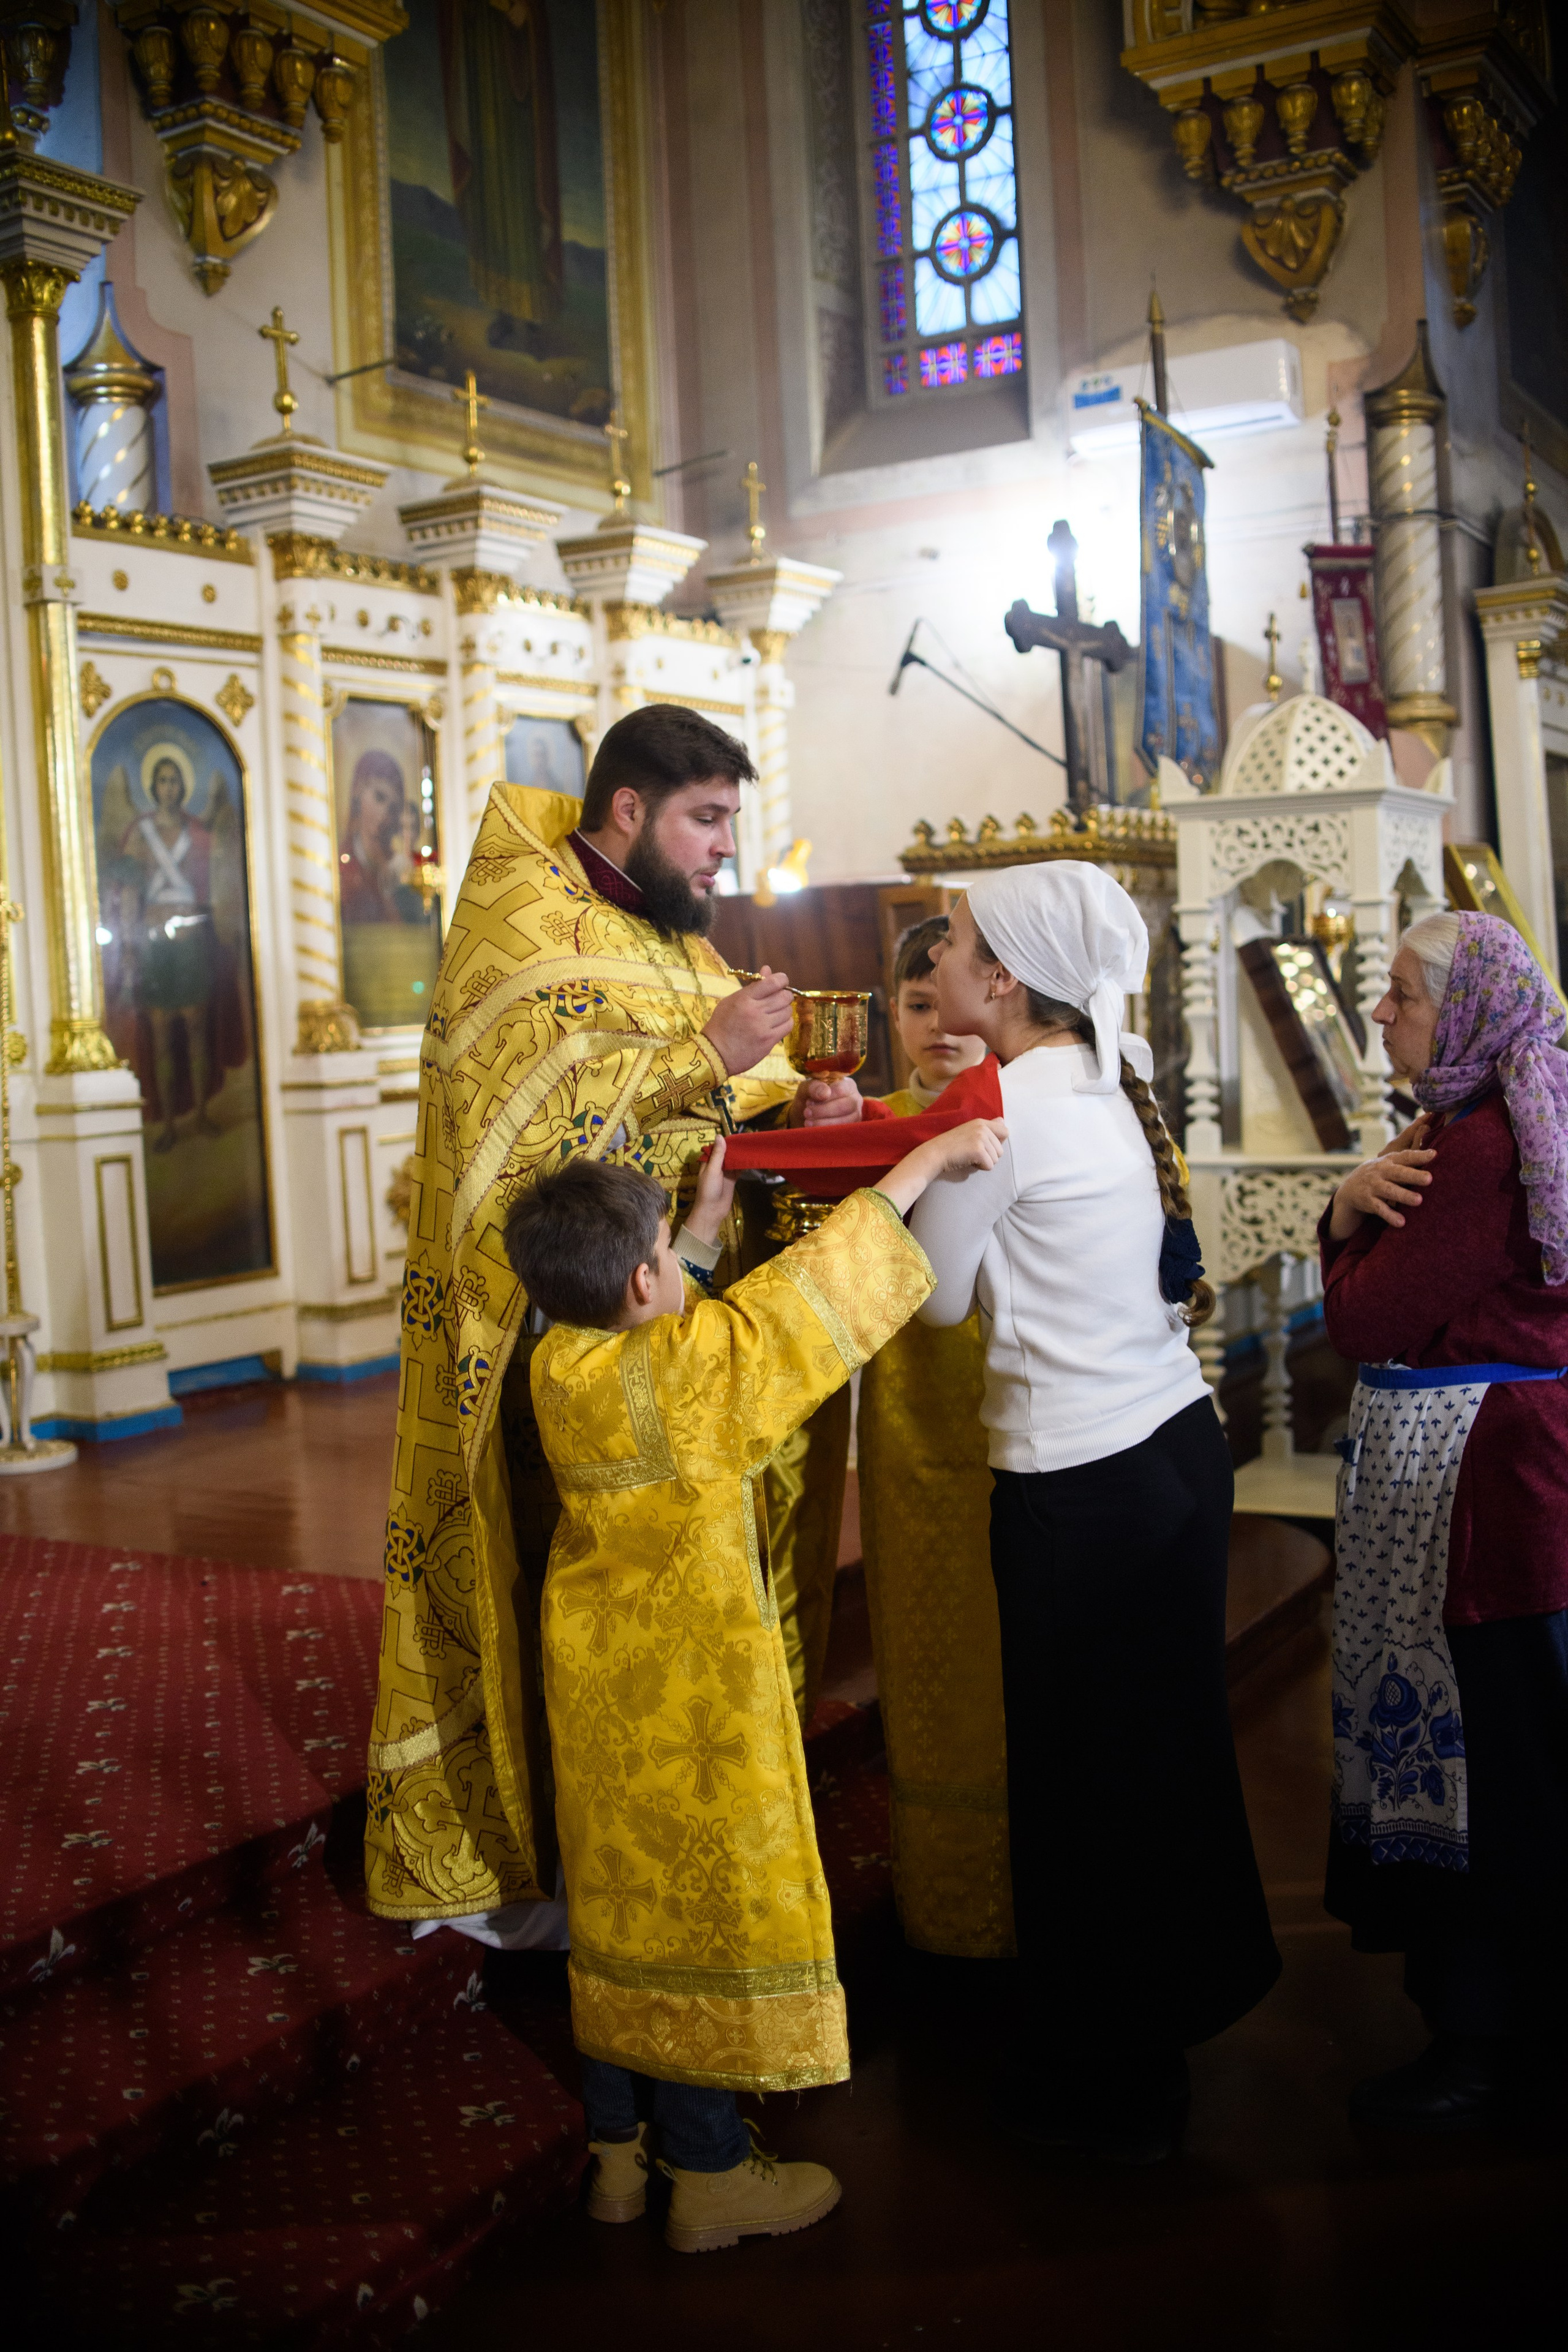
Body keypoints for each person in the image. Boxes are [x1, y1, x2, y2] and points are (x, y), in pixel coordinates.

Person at [364, 705, 861, 1942]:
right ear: (629, 810)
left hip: (691, 1347)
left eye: (730, 824)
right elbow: (521, 1154)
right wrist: (701, 1052)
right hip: (565, 1362)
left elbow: (710, 1122)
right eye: (704, 821)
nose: (721, 854)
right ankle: (573, 1865)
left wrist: (806, 1103)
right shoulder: (518, 923)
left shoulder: (674, 937)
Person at [505, 1119, 1006, 2250]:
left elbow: (650, 1324)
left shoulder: (561, 1364)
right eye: (661, 1261)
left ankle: (620, 2161)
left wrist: (692, 1234)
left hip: (594, 1687)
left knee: (617, 1910)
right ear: (643, 1277)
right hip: (700, 1694)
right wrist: (923, 1164)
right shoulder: (704, 1373)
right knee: (703, 1919)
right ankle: (714, 2173)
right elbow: (817, 1301)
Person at [913, 862, 1281, 2163]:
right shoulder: (1098, 1071)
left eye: (952, 941)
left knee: (1081, 1787)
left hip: (1083, 1489)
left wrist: (896, 1176)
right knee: (1160, 1767)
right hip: (1173, 1455)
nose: (940, 956)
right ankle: (1163, 2025)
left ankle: (1104, 2078)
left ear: (1001, 977)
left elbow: (939, 1301)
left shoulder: (1000, 1105)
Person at [1319, 910, 1568, 2131]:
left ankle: (1483, 2048)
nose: (1380, 1014)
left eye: (1401, 994)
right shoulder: (1521, 1107)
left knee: (1487, 1776)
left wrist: (1337, 1219)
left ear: (1462, 1006)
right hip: (1511, 1488)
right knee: (1517, 1755)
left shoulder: (1472, 1149)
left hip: (1471, 1498)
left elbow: (1364, 1323)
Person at [857, 917, 1014, 1958]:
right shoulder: (865, 1123)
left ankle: (1021, 1896)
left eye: (948, 1003)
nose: (937, 1027)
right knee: (923, 1644)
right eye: (914, 1007)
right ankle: (948, 1909)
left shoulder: (1023, 1112)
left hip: (1006, 1410)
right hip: (909, 1422)